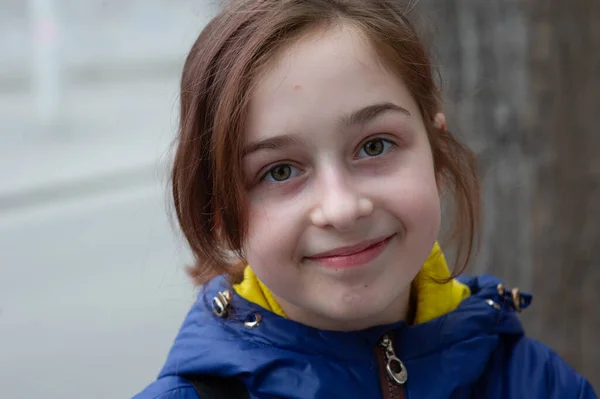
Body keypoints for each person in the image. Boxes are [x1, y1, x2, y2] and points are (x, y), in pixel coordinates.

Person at [134, 0, 598, 398]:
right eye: (278, 171)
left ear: (436, 154)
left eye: (374, 146)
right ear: (220, 214)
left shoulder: (538, 384)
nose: (341, 208)